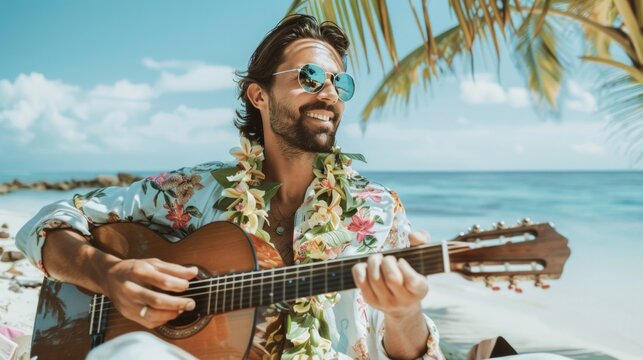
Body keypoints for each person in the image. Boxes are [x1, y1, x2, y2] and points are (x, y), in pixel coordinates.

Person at [17, 14, 441, 359]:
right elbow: (49, 223)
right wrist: (108, 274)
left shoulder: (377, 211)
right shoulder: (190, 190)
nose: (328, 91)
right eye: (310, 76)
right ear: (259, 95)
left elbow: (406, 351)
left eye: (340, 82)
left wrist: (405, 312)